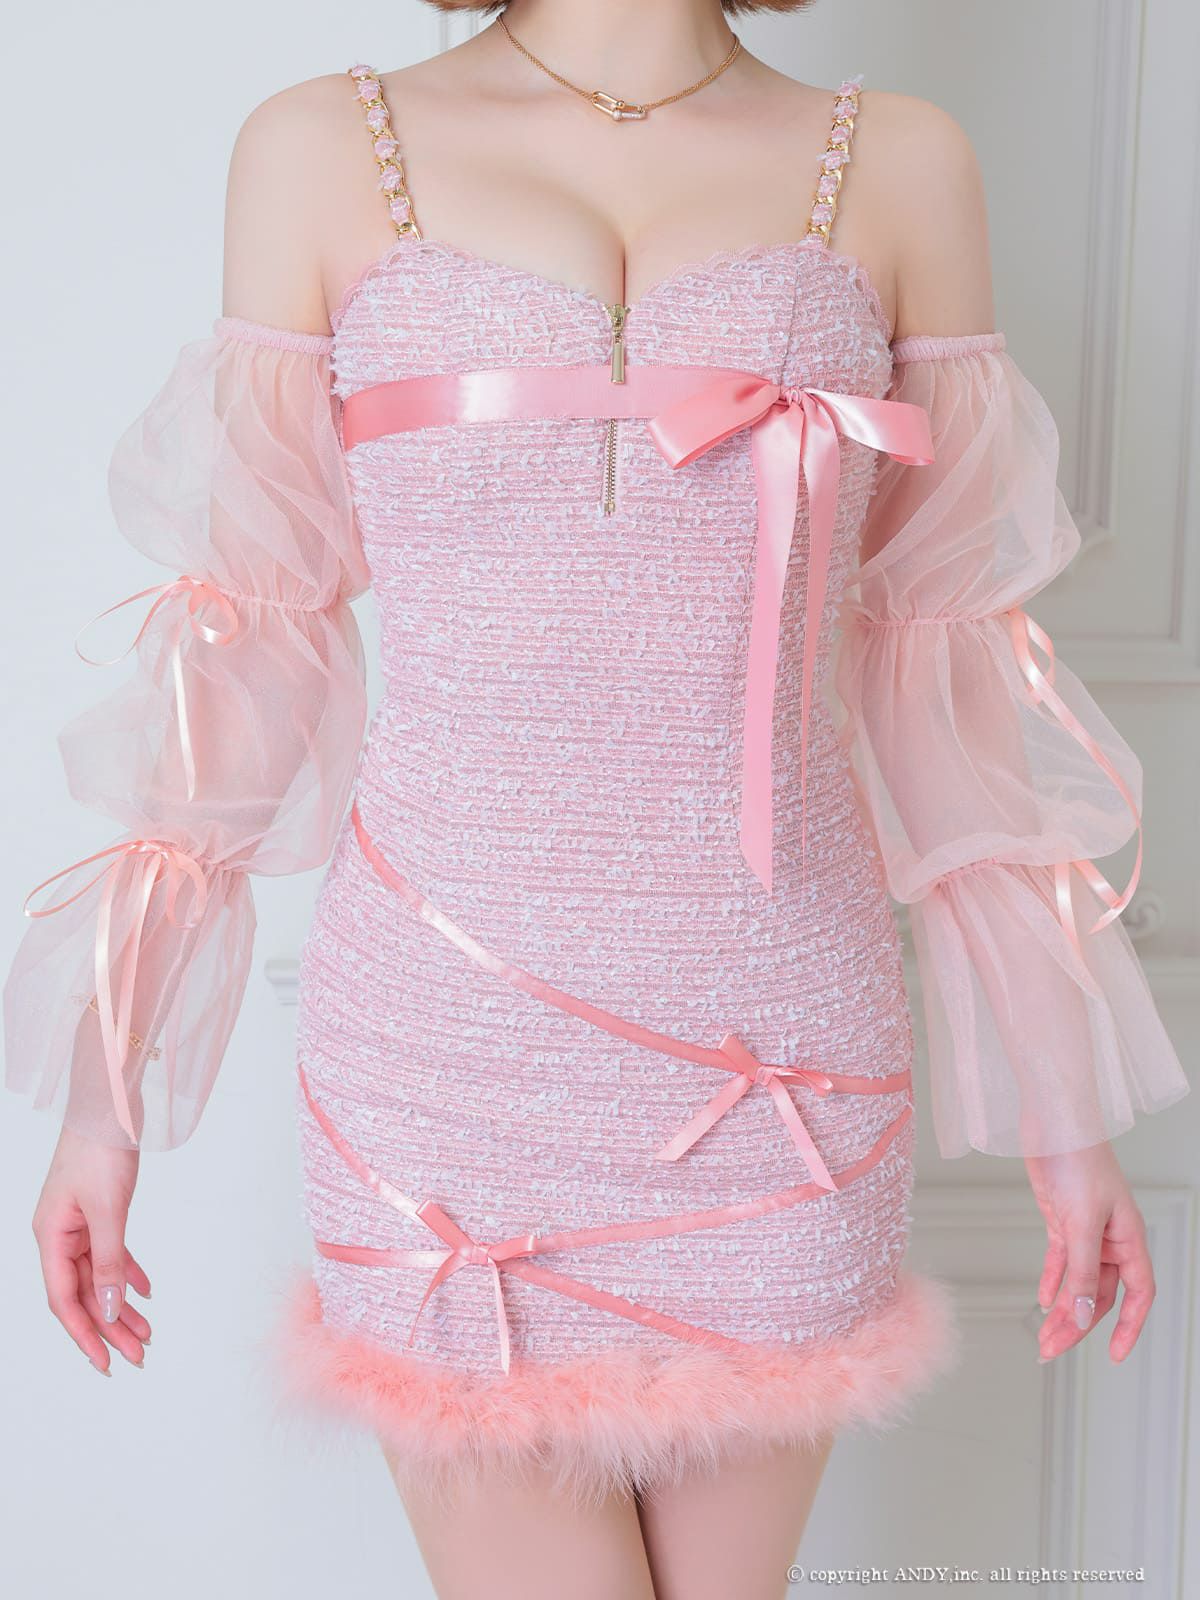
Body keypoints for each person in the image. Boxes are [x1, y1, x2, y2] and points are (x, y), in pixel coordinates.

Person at [6, 3, 1190, 1597]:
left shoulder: (906, 164)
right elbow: (247, 643)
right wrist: (103, 1105)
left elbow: (950, 672)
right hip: (444, 1059)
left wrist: (1065, 1121)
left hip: (784, 1053)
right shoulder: (317, 148)